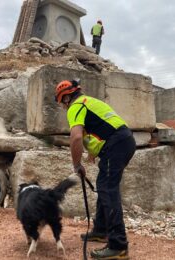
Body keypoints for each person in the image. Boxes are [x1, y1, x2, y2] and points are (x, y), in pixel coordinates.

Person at [54, 79, 135, 259]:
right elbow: (101, 127)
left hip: (116, 144)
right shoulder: (89, 101)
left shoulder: (75, 106)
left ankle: (118, 245)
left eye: (61, 103)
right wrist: (93, 151)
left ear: (66, 98)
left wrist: (76, 165)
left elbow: (75, 138)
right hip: (122, 141)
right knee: (105, 185)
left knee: (108, 189)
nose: (63, 107)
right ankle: (101, 230)